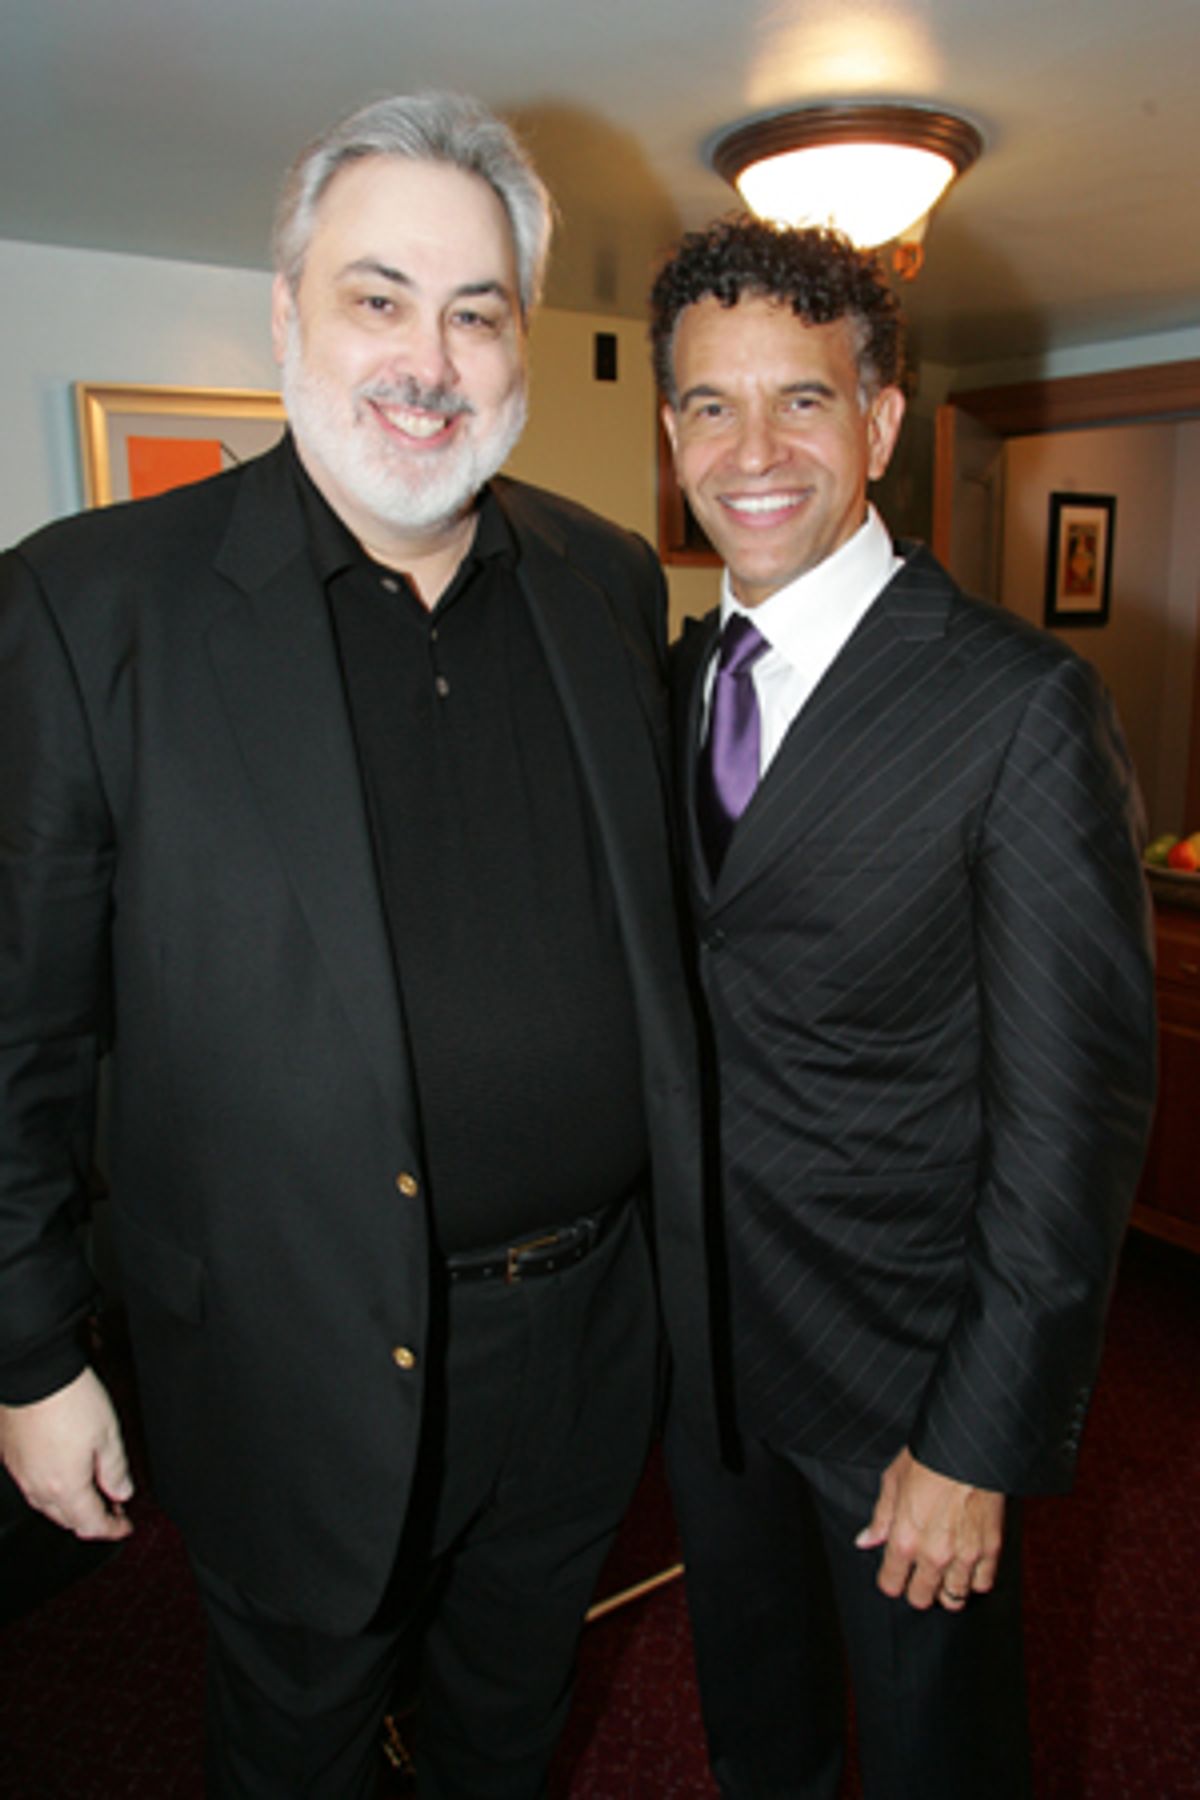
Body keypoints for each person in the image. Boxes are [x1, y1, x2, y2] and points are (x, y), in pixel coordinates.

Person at [0, 93, 714, 1798]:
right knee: (298, 1740)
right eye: (377, 296)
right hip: (285, 1347)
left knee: (508, 1715)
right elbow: (16, 1035)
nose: (431, 356)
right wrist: (30, 1359)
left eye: (476, 311)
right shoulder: (89, 606)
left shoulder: (607, 579)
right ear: (287, 318)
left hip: (591, 1334)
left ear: (520, 342)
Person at [651, 217, 1156, 1800]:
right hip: (711, 1369)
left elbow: (1074, 1124)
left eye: (799, 402)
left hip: (906, 1393)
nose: (752, 450)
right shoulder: (671, 681)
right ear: (668, 434)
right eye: (709, 406)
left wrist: (977, 1441)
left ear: (875, 421)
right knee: (760, 1735)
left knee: (944, 1760)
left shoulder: (1016, 704)